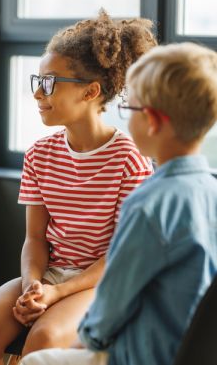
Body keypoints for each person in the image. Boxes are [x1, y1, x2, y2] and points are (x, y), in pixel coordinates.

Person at [0, 10, 157, 364]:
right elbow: (35, 239)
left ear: (91, 92)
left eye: (50, 82)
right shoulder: (39, 154)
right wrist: (31, 287)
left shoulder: (130, 160)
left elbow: (120, 255)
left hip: (103, 283)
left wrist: (57, 293)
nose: (38, 92)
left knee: (45, 339)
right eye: (37, 80)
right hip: (50, 276)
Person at [20, 41, 217, 365]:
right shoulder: (210, 191)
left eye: (130, 109)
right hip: (195, 351)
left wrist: (85, 343)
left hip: (144, 354)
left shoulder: (149, 202)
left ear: (151, 121)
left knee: (37, 361)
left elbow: (114, 299)